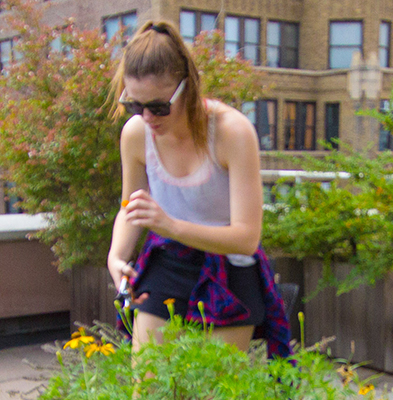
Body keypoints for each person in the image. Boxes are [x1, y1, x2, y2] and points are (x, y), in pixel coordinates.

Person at [104, 21, 291, 359]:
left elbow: (247, 238)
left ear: (186, 88)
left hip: (230, 270)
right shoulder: (135, 134)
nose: (146, 117)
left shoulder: (232, 132)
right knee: (147, 395)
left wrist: (170, 226)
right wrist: (116, 255)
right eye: (135, 105)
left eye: (159, 107)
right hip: (169, 262)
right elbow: (131, 206)